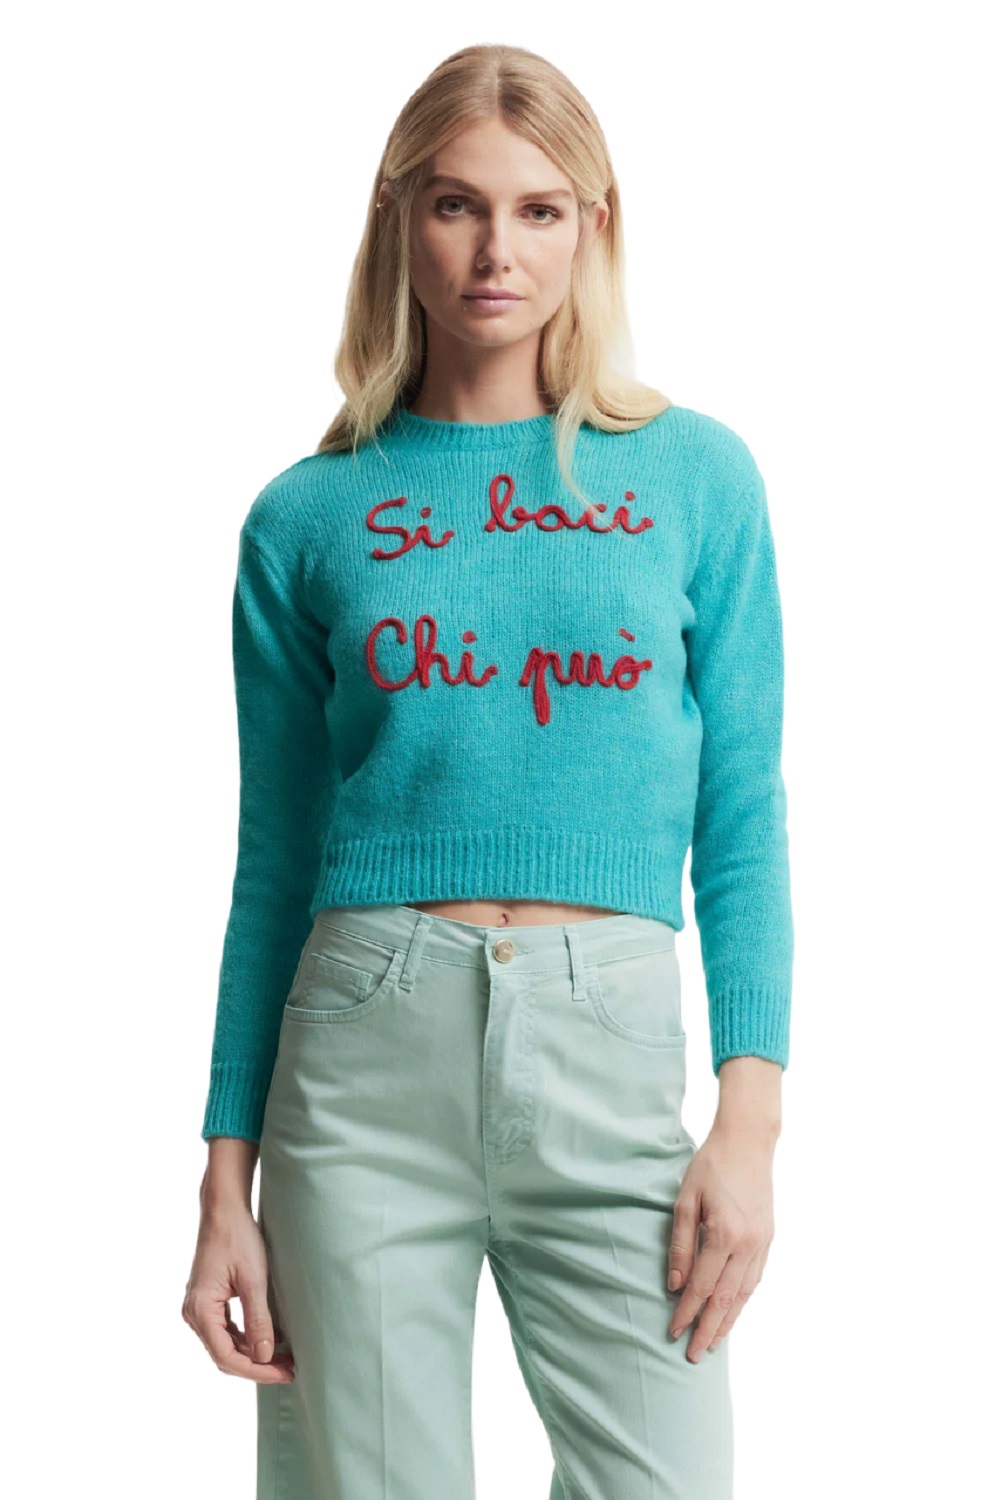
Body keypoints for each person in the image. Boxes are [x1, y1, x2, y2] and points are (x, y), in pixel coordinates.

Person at [182, 42, 793, 1500]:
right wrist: (224, 1177)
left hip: (610, 1044)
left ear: (595, 225)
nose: (495, 251)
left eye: (538, 209)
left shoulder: (696, 478)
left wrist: (751, 1121)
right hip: (364, 1054)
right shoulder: (308, 517)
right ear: (401, 218)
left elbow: (743, 815)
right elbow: (274, 859)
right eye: (457, 204)